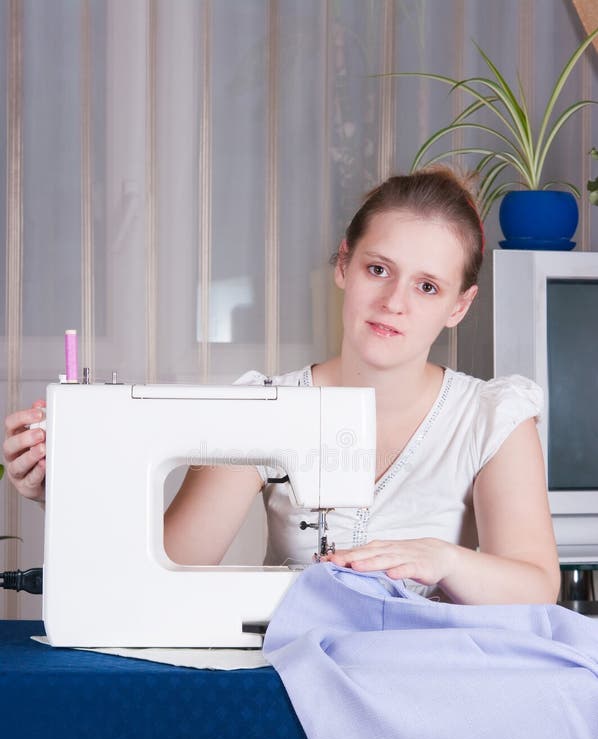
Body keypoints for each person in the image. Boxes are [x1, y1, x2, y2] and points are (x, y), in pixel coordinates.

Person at [3, 167, 560, 606]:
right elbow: (170, 566)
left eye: (428, 286)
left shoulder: (493, 418)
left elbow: (536, 585)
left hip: (434, 686)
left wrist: (444, 560)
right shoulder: (263, 408)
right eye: (378, 269)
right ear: (344, 264)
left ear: (459, 306)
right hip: (292, 683)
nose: (395, 302)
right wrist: (71, 496)